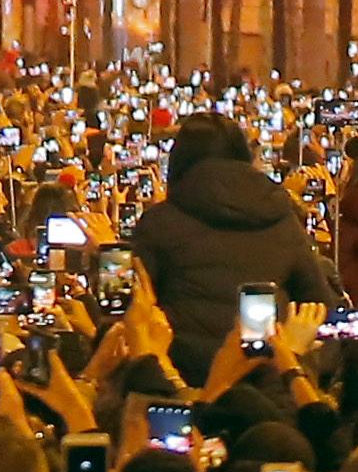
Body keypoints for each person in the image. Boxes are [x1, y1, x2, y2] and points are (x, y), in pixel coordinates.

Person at [133, 112, 334, 376]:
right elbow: (319, 306)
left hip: (179, 378)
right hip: (267, 377)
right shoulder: (281, 217)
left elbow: (134, 310)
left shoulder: (159, 223)